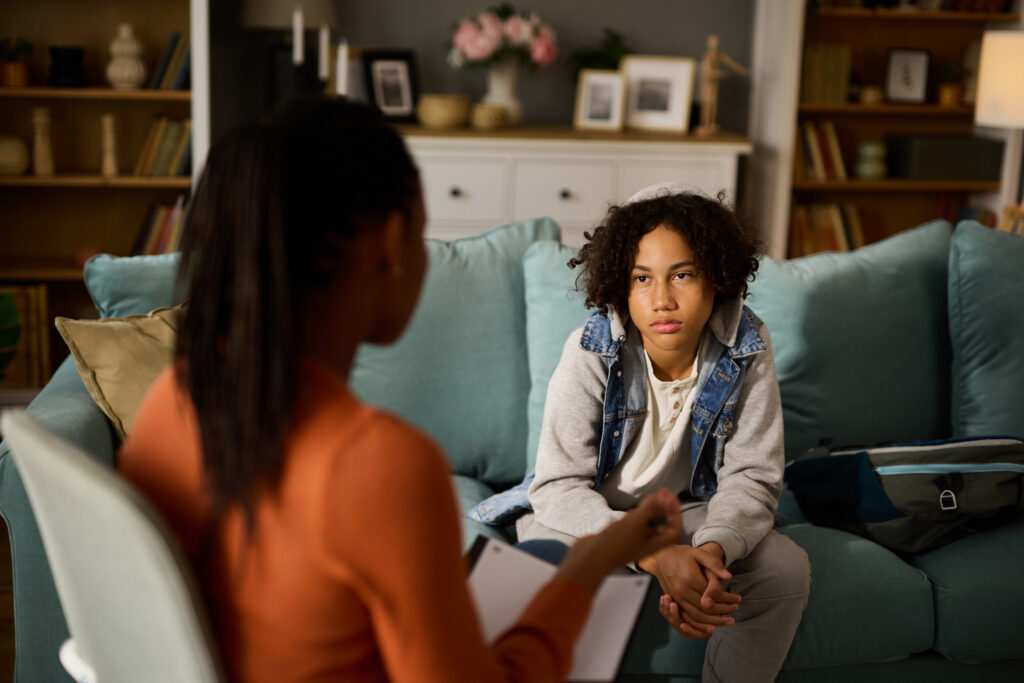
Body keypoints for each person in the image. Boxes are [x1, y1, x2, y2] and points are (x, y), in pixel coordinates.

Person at [117, 95, 683, 683]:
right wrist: (590, 567)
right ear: (391, 240)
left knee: (540, 558)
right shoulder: (381, 465)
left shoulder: (175, 395)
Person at [471, 183, 811, 682]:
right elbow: (558, 485)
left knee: (786, 570)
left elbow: (753, 476)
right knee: (539, 577)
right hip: (585, 509)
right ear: (620, 287)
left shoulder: (746, 347)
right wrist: (652, 556)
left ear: (716, 278)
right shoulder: (591, 349)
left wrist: (710, 556)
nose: (663, 300)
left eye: (682, 275)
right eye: (642, 279)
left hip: (685, 508)